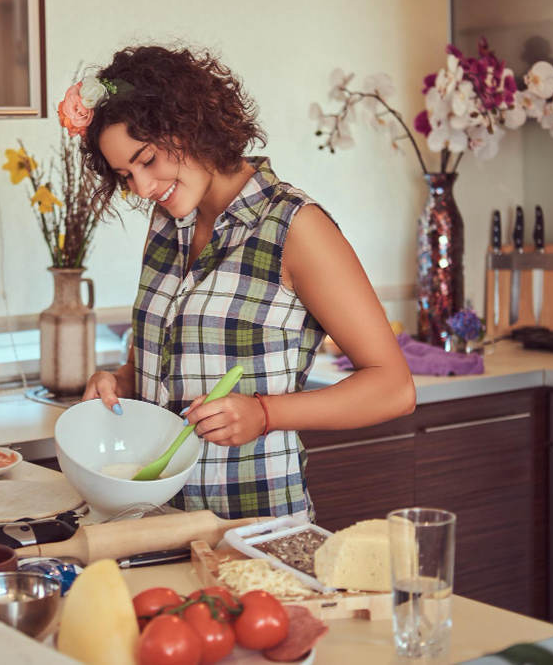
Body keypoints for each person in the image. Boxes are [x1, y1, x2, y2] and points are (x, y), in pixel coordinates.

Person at [62, 45, 415, 520]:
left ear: (188, 123)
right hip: (157, 523)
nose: (142, 188)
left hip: (255, 526)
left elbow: (394, 388)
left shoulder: (294, 226)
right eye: (126, 175)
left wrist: (266, 414)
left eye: (146, 160)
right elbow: (165, 356)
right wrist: (121, 382)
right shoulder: (169, 221)